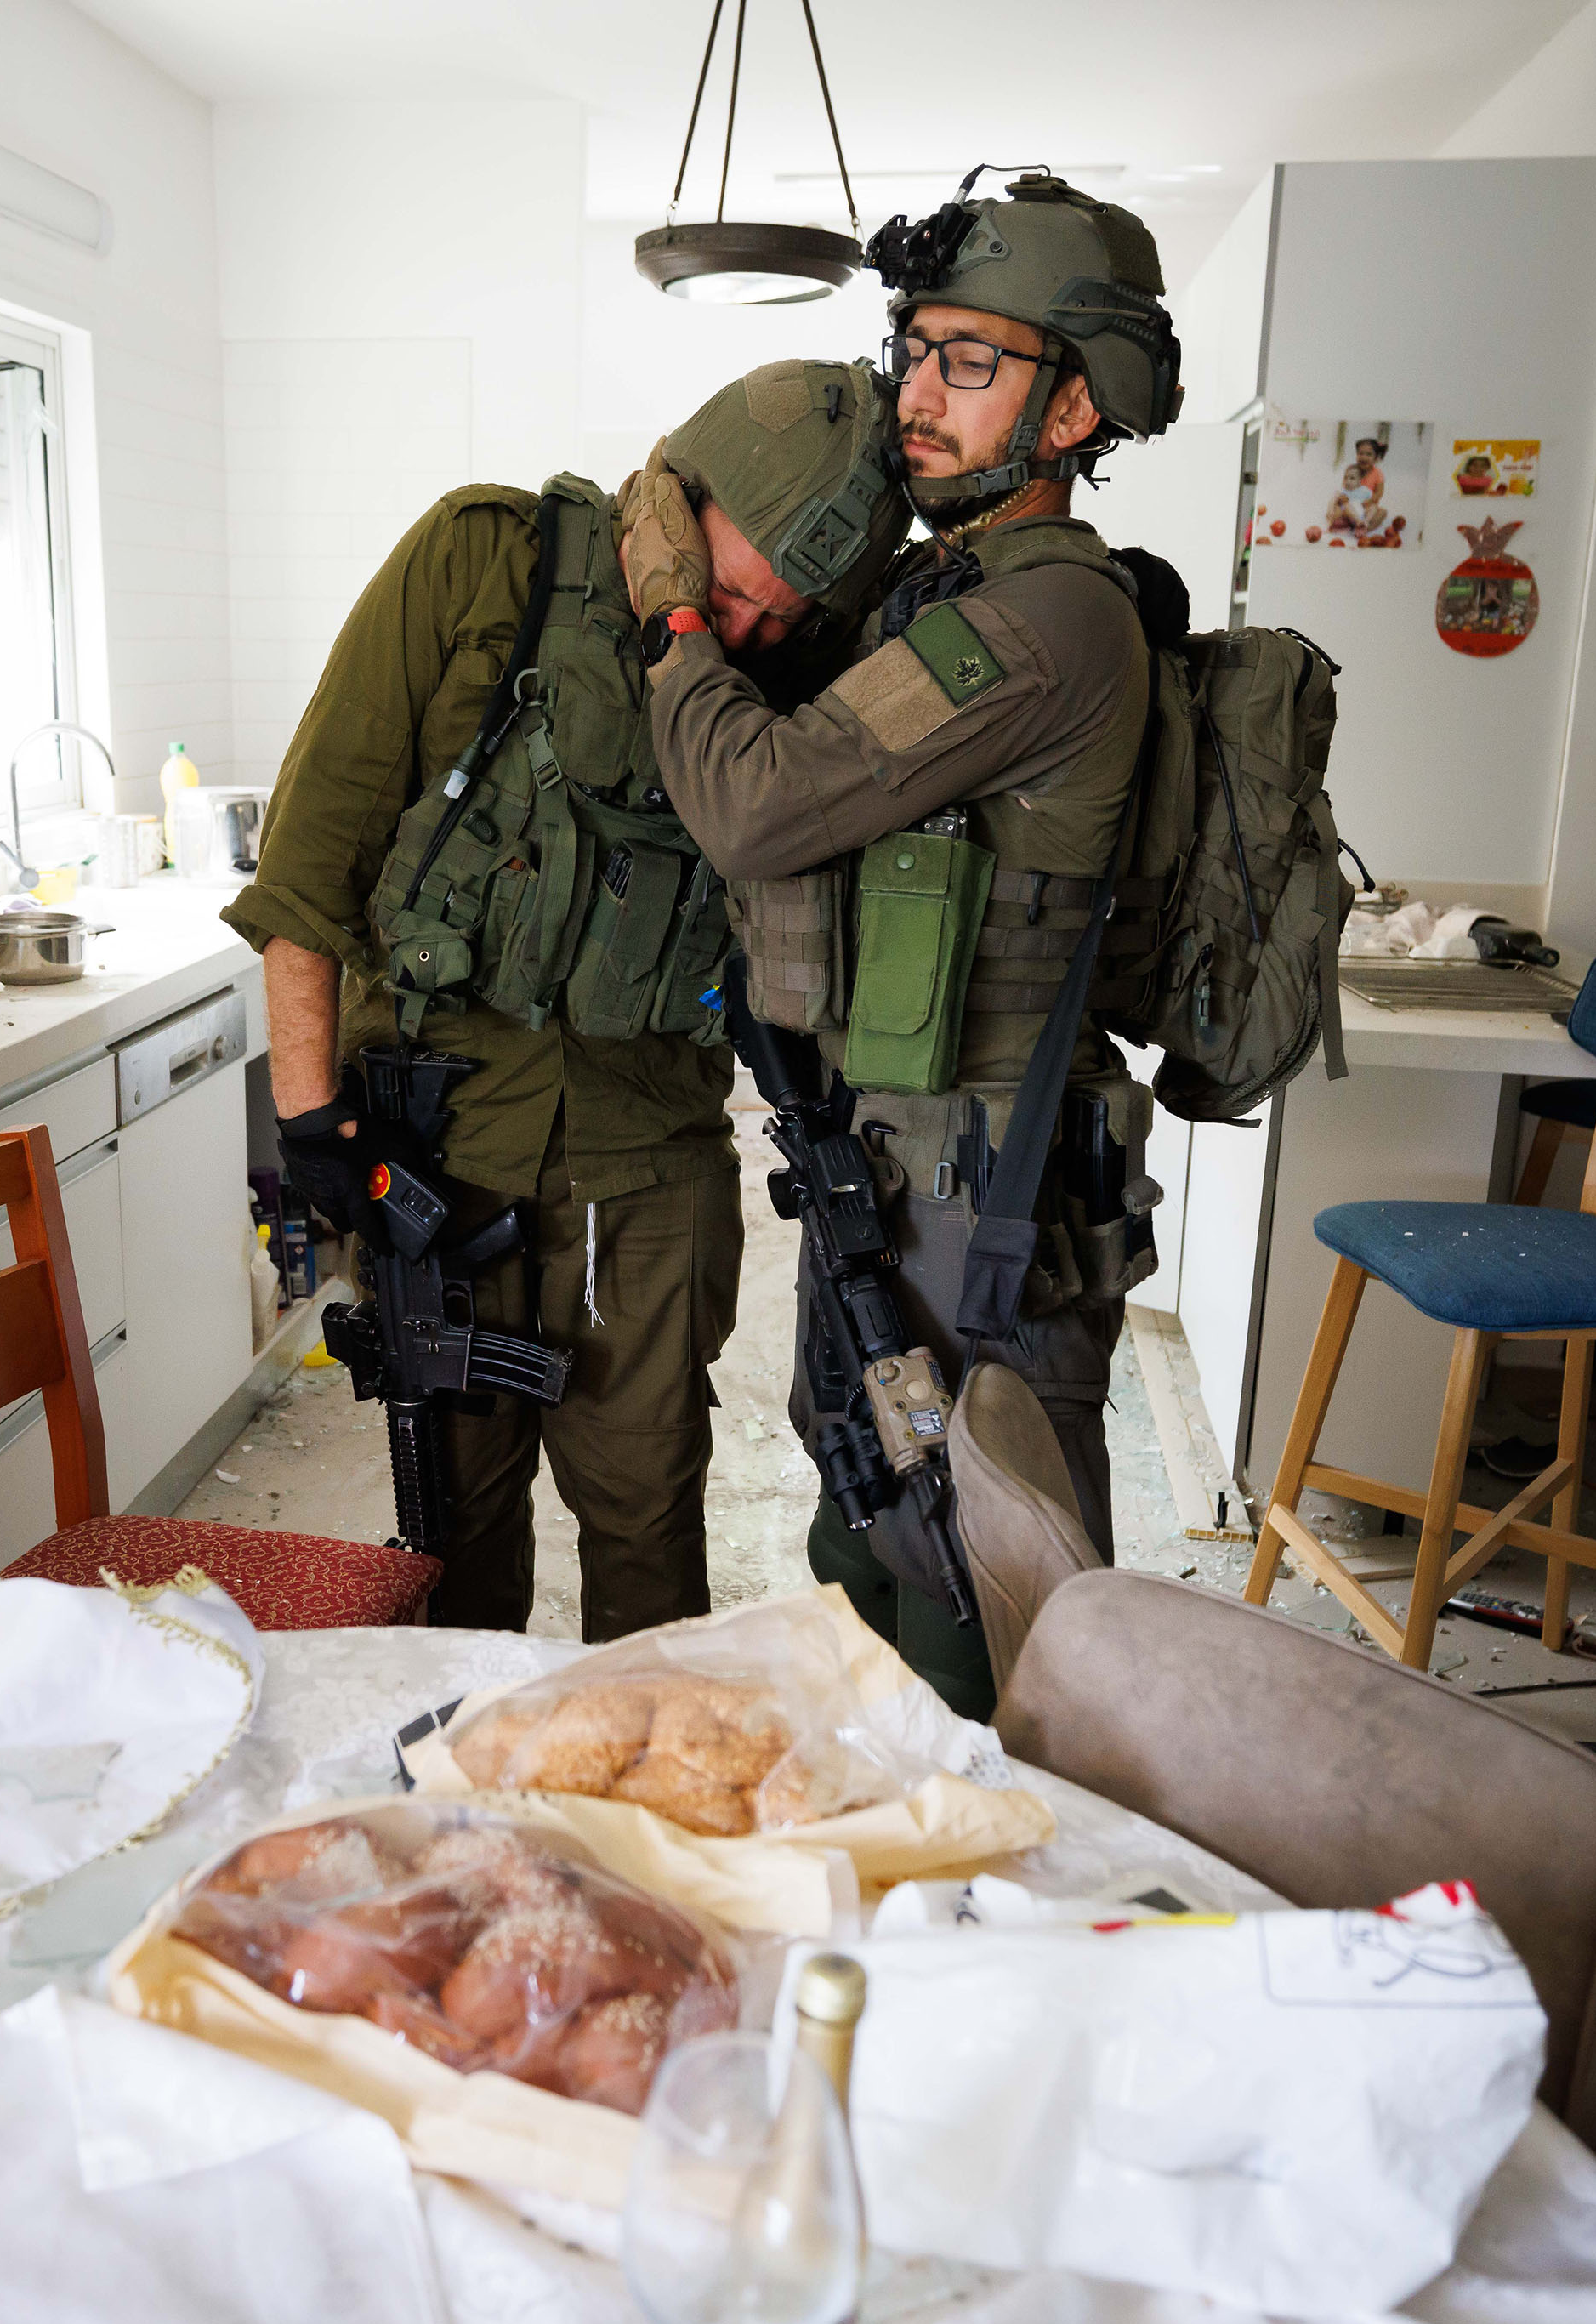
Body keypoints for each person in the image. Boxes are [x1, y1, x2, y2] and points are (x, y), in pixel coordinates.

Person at [229, 362, 908, 1638]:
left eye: (790, 613)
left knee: (649, 1533)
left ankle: (637, 1819)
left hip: (644, 1170)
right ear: (674, 499)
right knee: (456, 1541)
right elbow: (309, 863)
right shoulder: (481, 565)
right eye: (740, 592)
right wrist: (312, 1119)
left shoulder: (799, 671)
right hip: (437, 1158)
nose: (752, 636)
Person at [622, 173, 1184, 1715]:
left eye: (972, 363)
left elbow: (752, 803)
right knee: (868, 1534)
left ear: (1071, 413)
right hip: (890, 1158)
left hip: (978, 1194)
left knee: (992, 1594)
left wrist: (677, 618)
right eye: (915, 351)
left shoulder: (1043, 618)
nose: (918, 398)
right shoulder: (942, 585)